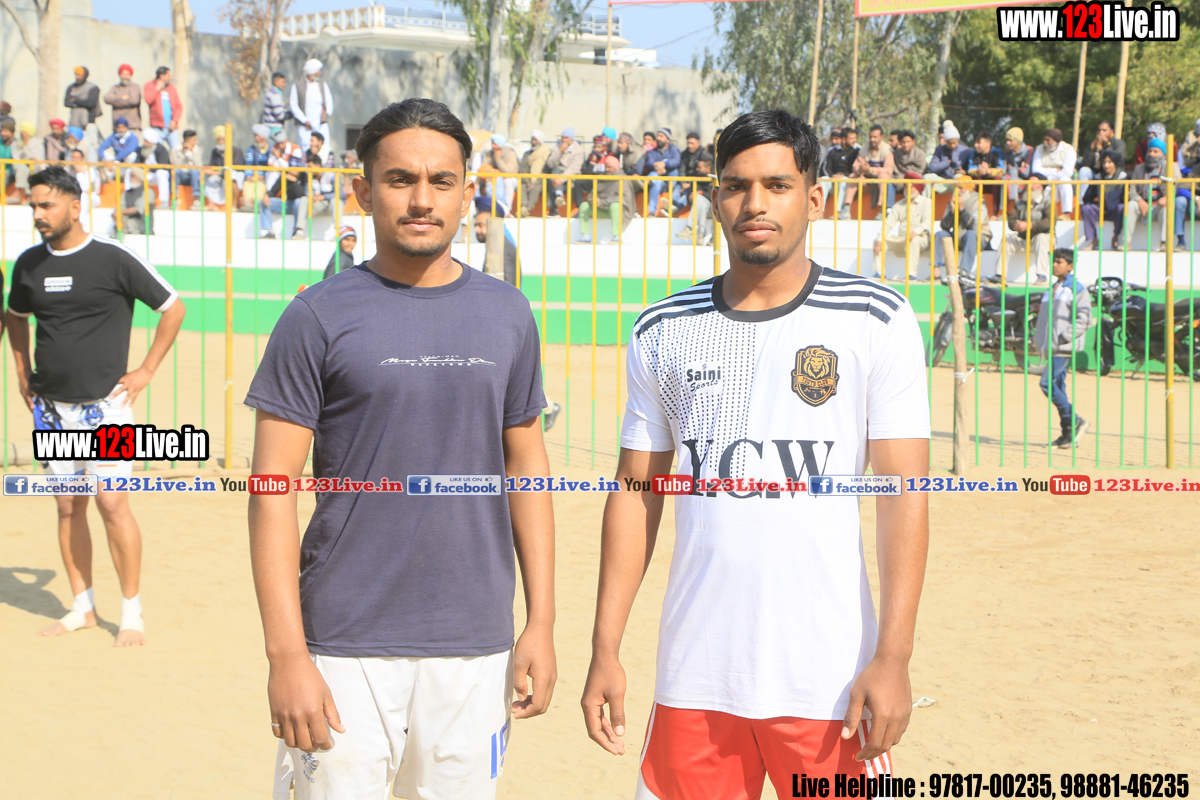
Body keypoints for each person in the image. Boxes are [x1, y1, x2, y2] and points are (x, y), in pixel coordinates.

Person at [581, 108, 930, 799]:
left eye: (777, 185)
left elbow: (903, 497)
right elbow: (636, 494)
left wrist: (893, 656)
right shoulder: (664, 327)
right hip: (695, 679)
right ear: (716, 200)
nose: (755, 203)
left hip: (832, 683)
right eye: (737, 186)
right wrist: (604, 648)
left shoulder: (875, 318)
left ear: (815, 199)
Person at [246, 97, 555, 800]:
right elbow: (271, 494)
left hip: (475, 644)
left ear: (467, 194)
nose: (422, 199)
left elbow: (527, 469)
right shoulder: (315, 317)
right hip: (343, 644)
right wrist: (286, 654)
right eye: (400, 179)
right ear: (363, 192)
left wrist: (539, 621)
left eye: (441, 181)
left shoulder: (508, 313)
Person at [4, 165, 185, 647]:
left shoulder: (113, 257)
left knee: (112, 503)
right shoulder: (28, 264)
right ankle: (82, 608)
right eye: (34, 206)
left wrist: (146, 370)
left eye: (47, 205)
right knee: (68, 507)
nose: (38, 215)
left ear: (75, 206)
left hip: (108, 408)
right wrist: (22, 372)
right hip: (51, 411)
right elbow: (15, 317)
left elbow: (173, 307)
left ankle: (131, 612)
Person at [1033, 249, 1092, 448]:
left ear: (1070, 266)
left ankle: (1076, 420)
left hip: (1062, 347)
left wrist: (1064, 336)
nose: (1055, 265)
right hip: (1051, 346)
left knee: (1046, 383)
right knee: (1059, 388)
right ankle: (1067, 434)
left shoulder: (1076, 289)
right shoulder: (1053, 289)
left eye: (1059, 262)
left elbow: (1085, 319)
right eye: (1054, 261)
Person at [995, 173, 1054, 284]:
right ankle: (999, 275)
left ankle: (1041, 275)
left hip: (1042, 239)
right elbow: (1011, 219)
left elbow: (1049, 222)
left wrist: (1030, 225)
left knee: (1041, 238)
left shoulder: (1048, 202)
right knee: (1007, 239)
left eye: (1033, 183)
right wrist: (1016, 225)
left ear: (1041, 187)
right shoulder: (1020, 203)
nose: (1030, 186)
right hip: (1023, 238)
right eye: (1028, 183)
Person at [933, 174, 991, 281]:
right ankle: (935, 270)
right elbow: (944, 226)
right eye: (956, 188)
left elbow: (974, 226)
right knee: (940, 234)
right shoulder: (952, 201)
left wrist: (962, 210)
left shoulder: (978, 201)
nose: (958, 191)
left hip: (978, 238)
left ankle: (964, 272)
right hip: (958, 236)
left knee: (971, 234)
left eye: (961, 188)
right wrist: (952, 213)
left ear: (968, 189)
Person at [873, 173, 931, 280]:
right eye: (905, 187)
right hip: (902, 239)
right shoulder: (899, 204)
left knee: (915, 240)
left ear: (918, 189)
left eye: (911, 187)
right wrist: (879, 239)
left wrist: (915, 232)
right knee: (879, 240)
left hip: (920, 239)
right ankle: (879, 273)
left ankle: (911, 275)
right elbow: (888, 224)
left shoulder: (926, 202)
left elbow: (927, 222)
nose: (907, 189)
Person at [577, 155, 638, 244]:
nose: (607, 169)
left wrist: (602, 202)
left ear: (615, 168)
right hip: (600, 209)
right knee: (584, 206)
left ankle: (616, 236)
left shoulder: (623, 180)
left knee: (615, 206)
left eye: (610, 167)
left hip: (618, 212)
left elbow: (623, 199)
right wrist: (592, 200)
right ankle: (585, 236)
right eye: (606, 167)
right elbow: (591, 195)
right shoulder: (602, 178)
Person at [259, 129, 305, 239]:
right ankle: (268, 230)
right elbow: (272, 166)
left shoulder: (295, 150)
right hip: (283, 200)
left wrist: (279, 159)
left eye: (282, 143)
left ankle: (297, 232)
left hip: (295, 202)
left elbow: (294, 173)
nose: (280, 146)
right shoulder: (276, 151)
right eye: (278, 143)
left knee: (299, 203)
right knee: (263, 201)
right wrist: (267, 195)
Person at [1126, 137, 1170, 251]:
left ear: (1163, 154)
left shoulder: (1170, 167)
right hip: (1144, 203)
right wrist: (1140, 201)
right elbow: (1132, 189)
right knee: (1131, 205)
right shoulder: (1139, 168)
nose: (1151, 154)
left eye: (1155, 151)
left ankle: (1164, 244)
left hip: (1160, 204)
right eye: (1150, 151)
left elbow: (1178, 185)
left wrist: (1167, 197)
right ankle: (1126, 243)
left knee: (1167, 209)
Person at [1079, 152, 1126, 251]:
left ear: (1115, 163)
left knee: (1122, 208)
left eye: (1109, 162)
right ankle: (1094, 240)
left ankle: (1115, 238)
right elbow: (1087, 197)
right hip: (1100, 210)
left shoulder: (1124, 177)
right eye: (1104, 162)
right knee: (1086, 208)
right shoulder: (1098, 177)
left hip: (1116, 211)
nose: (1106, 165)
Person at [633, 127, 681, 217]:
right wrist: (658, 166)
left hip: (670, 180)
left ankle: (647, 182)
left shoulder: (674, 149)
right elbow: (649, 163)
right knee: (655, 183)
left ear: (667, 139)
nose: (658, 138)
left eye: (661, 136)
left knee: (672, 172)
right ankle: (651, 212)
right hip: (658, 180)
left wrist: (664, 164)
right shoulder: (652, 152)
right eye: (658, 136)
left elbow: (676, 161)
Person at [290, 59, 334, 152]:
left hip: (321, 124)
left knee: (324, 149)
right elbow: (293, 105)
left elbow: (329, 100)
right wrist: (304, 121)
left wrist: (326, 114)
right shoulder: (298, 86)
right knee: (305, 149)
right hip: (305, 126)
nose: (320, 73)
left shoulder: (322, 85)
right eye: (318, 71)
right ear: (312, 72)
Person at [1030, 128, 1076, 215]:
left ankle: (1066, 214)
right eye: (1044, 139)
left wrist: (1047, 170)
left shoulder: (1069, 149)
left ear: (1056, 141)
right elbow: (1036, 169)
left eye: (1048, 140)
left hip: (1060, 180)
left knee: (1065, 180)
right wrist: (1055, 170)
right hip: (1045, 180)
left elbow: (1068, 172)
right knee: (1035, 181)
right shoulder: (1039, 149)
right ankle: (1038, 213)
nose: (1045, 142)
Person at [473, 198, 519, 283]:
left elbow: (508, 284)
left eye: (480, 225)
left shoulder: (502, 248)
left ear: (493, 223)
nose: (476, 230)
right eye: (475, 226)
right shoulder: (496, 244)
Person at [673, 154, 714, 246]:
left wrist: (701, 193)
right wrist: (695, 195)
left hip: (715, 209)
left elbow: (717, 196)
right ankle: (698, 233)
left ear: (708, 168)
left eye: (700, 167)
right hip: (702, 208)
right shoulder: (697, 177)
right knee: (700, 201)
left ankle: (696, 231)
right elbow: (691, 196)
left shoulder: (715, 177)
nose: (697, 169)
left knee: (713, 204)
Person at [854, 124, 895, 211]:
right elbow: (855, 165)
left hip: (881, 182)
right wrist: (859, 169)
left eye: (875, 137)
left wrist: (871, 170)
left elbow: (889, 170)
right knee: (852, 176)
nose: (872, 139)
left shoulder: (888, 150)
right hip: (867, 183)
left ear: (882, 137)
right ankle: (845, 207)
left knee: (883, 176)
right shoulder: (864, 149)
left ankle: (882, 208)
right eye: (870, 137)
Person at [204, 125, 246, 209]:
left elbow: (237, 167)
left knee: (232, 176)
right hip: (220, 175)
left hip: (235, 174)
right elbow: (212, 166)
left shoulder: (236, 150)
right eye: (218, 139)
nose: (221, 141)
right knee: (205, 177)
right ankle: (211, 204)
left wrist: (221, 172)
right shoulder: (215, 152)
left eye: (222, 139)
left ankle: (234, 205)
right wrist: (212, 171)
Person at [545, 126, 584, 214]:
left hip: (571, 175)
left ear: (571, 138)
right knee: (552, 176)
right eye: (562, 137)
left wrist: (561, 179)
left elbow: (574, 168)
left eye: (566, 138)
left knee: (555, 176)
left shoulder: (579, 150)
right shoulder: (557, 147)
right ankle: (556, 202)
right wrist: (559, 151)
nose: (563, 140)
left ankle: (556, 203)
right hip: (556, 173)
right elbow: (550, 164)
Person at [924, 120, 969, 196]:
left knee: (959, 177)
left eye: (954, 143)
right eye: (949, 143)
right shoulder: (940, 150)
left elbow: (971, 168)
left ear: (958, 140)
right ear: (946, 142)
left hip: (955, 182)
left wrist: (964, 172)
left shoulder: (965, 150)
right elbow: (932, 167)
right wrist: (947, 162)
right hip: (942, 181)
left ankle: (956, 202)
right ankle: (927, 202)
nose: (952, 146)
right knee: (927, 177)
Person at [144, 67, 184, 151]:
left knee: (176, 151)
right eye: (168, 75)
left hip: (172, 128)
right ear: (162, 76)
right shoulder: (149, 85)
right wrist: (157, 88)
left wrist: (174, 120)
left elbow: (178, 106)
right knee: (157, 151)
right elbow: (148, 100)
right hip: (157, 127)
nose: (170, 78)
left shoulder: (171, 88)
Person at [820, 127, 857, 218]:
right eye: (851, 138)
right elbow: (825, 167)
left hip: (846, 181)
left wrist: (844, 175)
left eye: (855, 138)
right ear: (844, 139)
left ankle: (838, 212)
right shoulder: (832, 151)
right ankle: (820, 212)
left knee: (843, 181)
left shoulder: (857, 151)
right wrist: (832, 176)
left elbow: (855, 170)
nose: (854, 140)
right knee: (823, 180)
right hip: (833, 180)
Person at [964, 131, 1004, 210]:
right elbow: (970, 170)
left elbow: (1002, 170)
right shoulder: (974, 154)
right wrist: (978, 171)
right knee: (971, 179)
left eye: (979, 143)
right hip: (980, 184)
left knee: (998, 179)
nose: (975, 145)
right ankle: (971, 210)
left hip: (992, 185)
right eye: (975, 142)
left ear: (988, 144)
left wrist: (989, 171)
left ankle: (996, 212)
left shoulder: (996, 153)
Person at [1076, 120, 1124, 186]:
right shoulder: (1093, 143)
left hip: (1112, 175)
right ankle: (1084, 193)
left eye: (1104, 130)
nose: (1101, 132)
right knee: (1084, 171)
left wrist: (1103, 147)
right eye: (1099, 130)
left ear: (1111, 131)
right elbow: (1085, 165)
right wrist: (1091, 149)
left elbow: (1115, 160)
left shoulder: (1118, 143)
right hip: (1095, 174)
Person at [519, 129, 553, 215]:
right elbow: (523, 169)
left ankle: (527, 210)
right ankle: (523, 206)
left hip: (540, 181)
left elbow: (546, 170)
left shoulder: (547, 152)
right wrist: (527, 182)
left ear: (540, 141)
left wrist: (535, 183)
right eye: (532, 140)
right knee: (522, 187)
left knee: (535, 189)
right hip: (528, 180)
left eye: (535, 140)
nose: (533, 142)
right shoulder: (527, 154)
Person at [671, 131, 706, 213]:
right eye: (688, 143)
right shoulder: (684, 154)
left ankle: (677, 207)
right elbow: (682, 169)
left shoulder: (704, 154)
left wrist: (690, 184)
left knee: (688, 192)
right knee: (677, 189)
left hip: (697, 183)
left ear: (698, 143)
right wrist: (683, 183)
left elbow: (701, 173)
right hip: (685, 181)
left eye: (692, 143)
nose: (689, 145)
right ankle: (671, 204)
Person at [138, 128, 172, 208]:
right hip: (145, 175)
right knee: (130, 171)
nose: (145, 143)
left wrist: (150, 169)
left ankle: (164, 202)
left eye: (147, 141)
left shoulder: (161, 149)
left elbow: (164, 165)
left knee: (161, 173)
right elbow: (137, 162)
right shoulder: (142, 149)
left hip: (156, 175)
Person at [891, 130, 926, 206]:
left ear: (913, 142)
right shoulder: (896, 154)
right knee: (889, 182)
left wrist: (909, 175)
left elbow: (920, 170)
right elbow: (896, 170)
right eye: (903, 142)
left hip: (915, 178)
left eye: (908, 142)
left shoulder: (920, 154)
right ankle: (889, 207)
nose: (906, 145)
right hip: (899, 178)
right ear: (900, 143)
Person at [103, 64, 142, 133]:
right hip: (118, 127)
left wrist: (115, 100)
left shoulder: (135, 87)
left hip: (132, 126)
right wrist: (121, 97)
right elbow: (106, 99)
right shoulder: (115, 87)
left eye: (127, 74)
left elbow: (134, 101)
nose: (125, 76)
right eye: (123, 74)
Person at [64, 66, 101, 132]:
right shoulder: (71, 87)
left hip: (88, 121)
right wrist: (82, 102)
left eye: (79, 75)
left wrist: (75, 100)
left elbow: (90, 103)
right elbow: (67, 103)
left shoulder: (92, 88)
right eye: (76, 74)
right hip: (74, 120)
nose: (77, 77)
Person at [1003, 127, 1034, 202]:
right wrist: (1019, 167)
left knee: (1010, 172)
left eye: (1010, 140)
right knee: (1005, 177)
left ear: (1018, 141)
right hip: (1008, 180)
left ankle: (1014, 203)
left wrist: (1013, 168)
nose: (1007, 143)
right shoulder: (1006, 151)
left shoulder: (1029, 150)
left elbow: (1026, 173)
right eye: (1007, 140)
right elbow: (1003, 170)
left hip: (1024, 184)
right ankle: (1012, 203)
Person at [173, 129, 203, 199]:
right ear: (187, 140)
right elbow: (175, 164)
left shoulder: (197, 149)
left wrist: (192, 152)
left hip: (194, 176)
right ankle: (175, 196)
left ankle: (196, 196)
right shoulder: (176, 149)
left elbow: (199, 165)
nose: (196, 142)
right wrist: (182, 152)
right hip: (182, 175)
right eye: (194, 140)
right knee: (175, 171)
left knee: (194, 170)